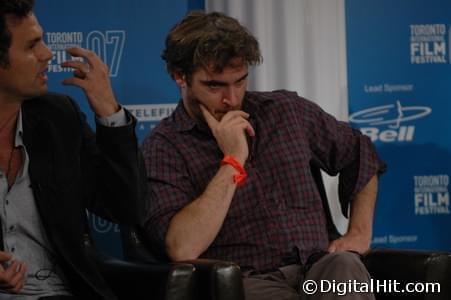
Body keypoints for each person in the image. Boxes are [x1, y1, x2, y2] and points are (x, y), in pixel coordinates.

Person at [141, 11, 385, 300]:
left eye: (240, 81)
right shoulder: (164, 146)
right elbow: (182, 247)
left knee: (345, 265)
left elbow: (360, 152)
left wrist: (359, 232)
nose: (231, 99)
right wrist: (233, 160)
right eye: (214, 86)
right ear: (180, 76)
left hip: (318, 268)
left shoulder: (285, 111)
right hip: (246, 281)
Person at [0, 0, 146, 299]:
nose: (47, 54)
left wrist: (109, 113)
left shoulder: (57, 115)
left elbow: (125, 207)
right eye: (31, 46)